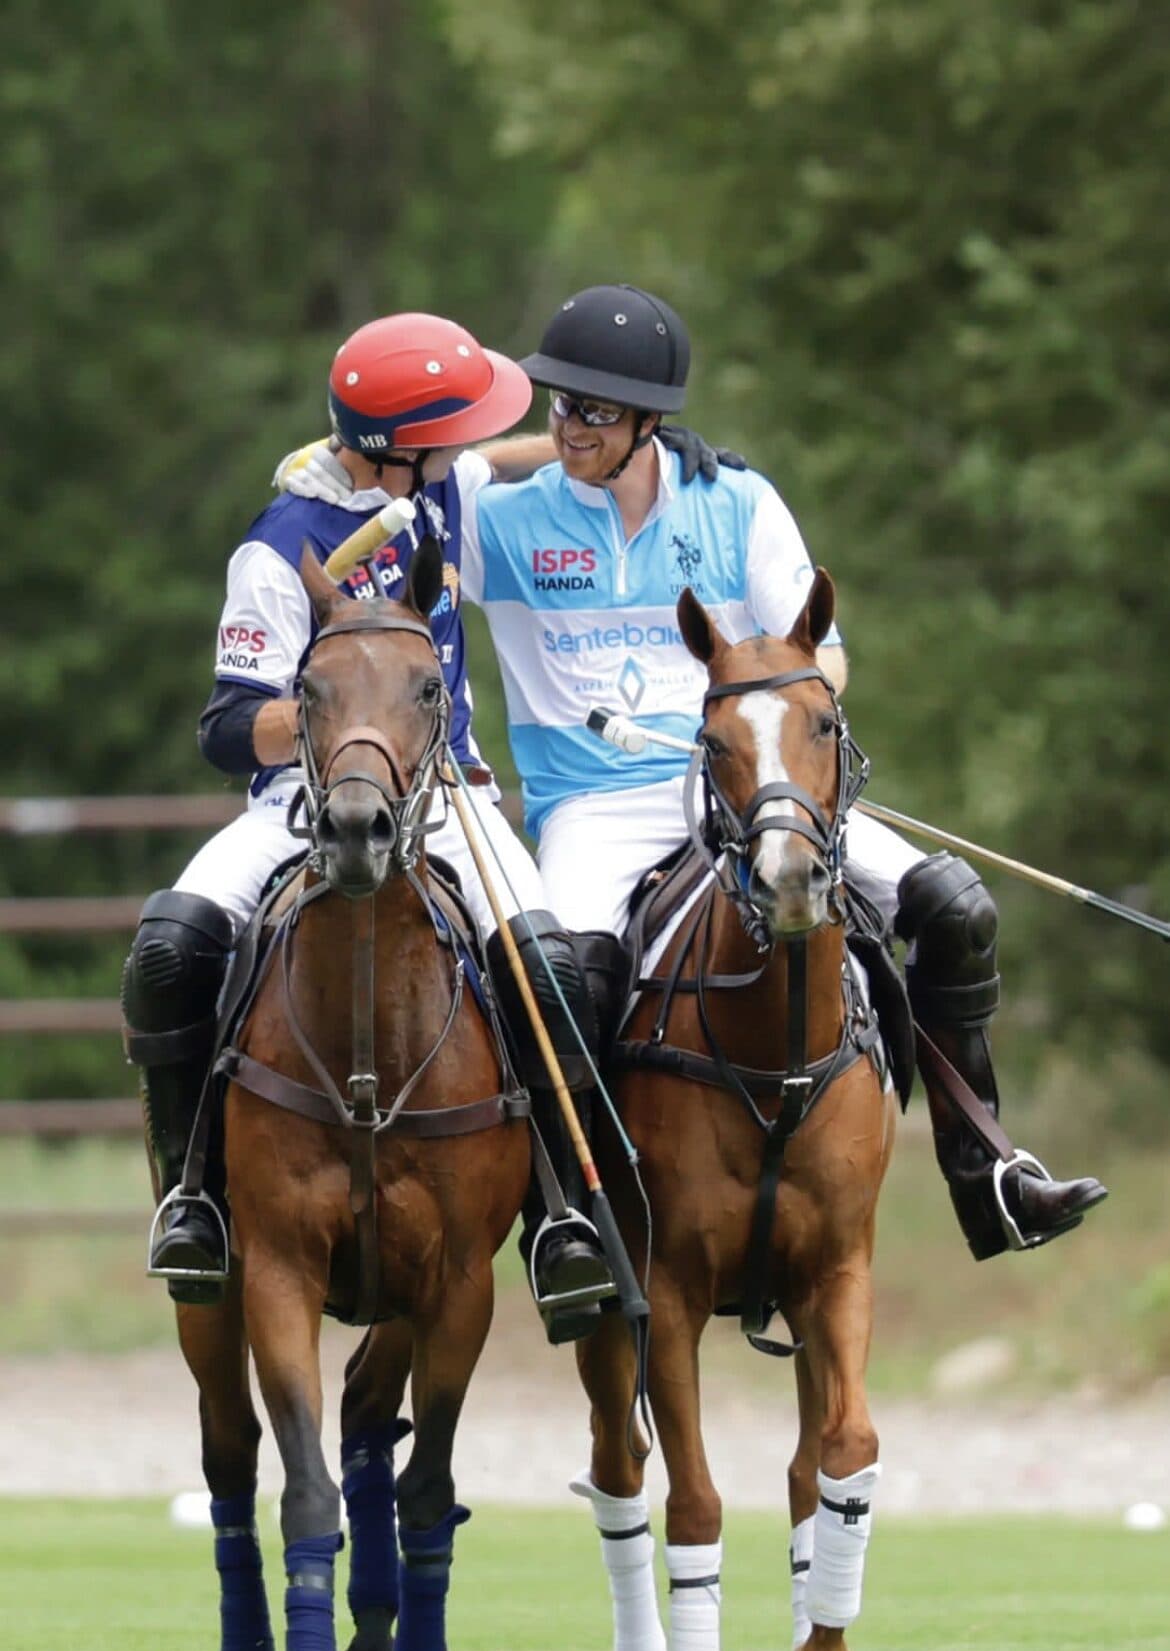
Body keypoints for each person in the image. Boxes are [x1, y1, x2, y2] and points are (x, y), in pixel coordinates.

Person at [281, 283, 1106, 1262]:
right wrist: (347, 456)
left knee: (953, 908)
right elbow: (403, 486)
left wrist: (766, 707)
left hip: (748, 784)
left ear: (649, 421)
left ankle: (988, 1173)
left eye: (595, 410)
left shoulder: (740, 505)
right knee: (563, 977)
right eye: (561, 404)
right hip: (594, 804)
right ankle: (571, 1216)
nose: (569, 424)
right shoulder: (498, 521)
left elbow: (828, 659)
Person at [121, 312, 630, 1339]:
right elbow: (227, 727)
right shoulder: (278, 548)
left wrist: (629, 442)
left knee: (553, 970)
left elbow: (497, 455)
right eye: (450, 429)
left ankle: (557, 1214)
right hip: (305, 804)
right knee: (169, 947)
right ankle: (194, 1195)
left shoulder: (434, 485)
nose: (464, 444)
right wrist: (345, 726)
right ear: (399, 446)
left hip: (450, 801)